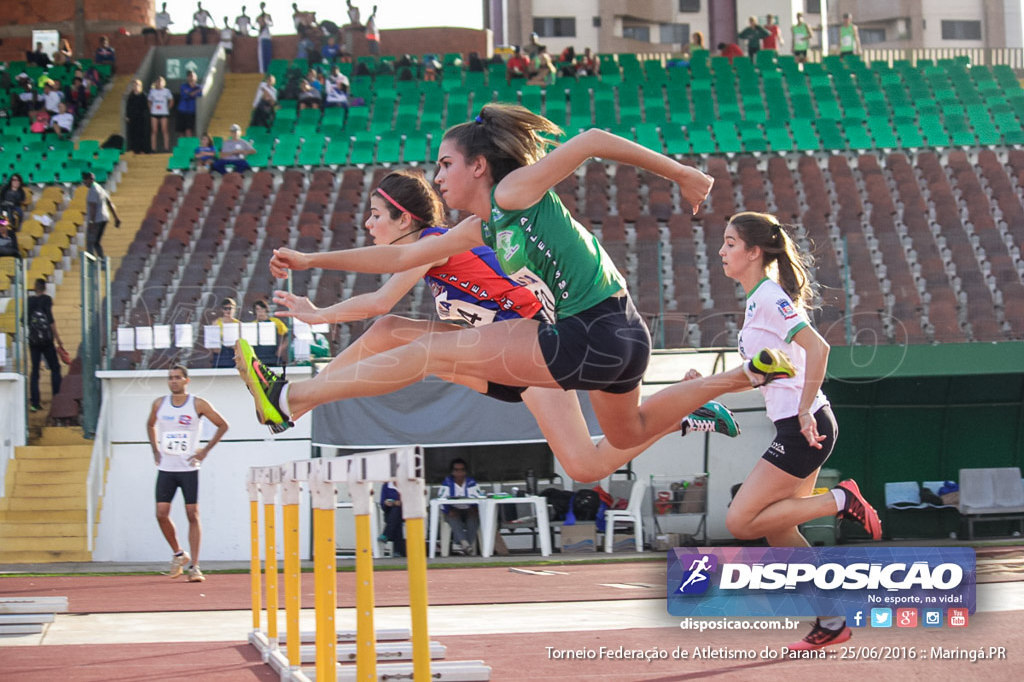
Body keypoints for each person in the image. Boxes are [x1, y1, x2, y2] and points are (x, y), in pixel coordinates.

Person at [244, 105, 796, 466]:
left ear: (479, 167)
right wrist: (313, 256)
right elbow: (404, 256)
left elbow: (593, 139)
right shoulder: (479, 227)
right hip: (621, 337)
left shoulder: (513, 193)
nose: (436, 178)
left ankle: (290, 399)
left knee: (425, 350)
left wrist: (681, 173)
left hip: (590, 330)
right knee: (620, 442)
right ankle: (740, 378)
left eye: (444, 164)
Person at [269, 170, 740, 480]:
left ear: (404, 217)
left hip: (535, 348)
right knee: (393, 331)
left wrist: (319, 308)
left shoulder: (435, 242)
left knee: (584, 466)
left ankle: (681, 409)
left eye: (375, 215)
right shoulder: (435, 253)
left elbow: (380, 295)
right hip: (498, 356)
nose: (370, 225)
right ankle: (293, 402)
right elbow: (387, 292)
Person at [714, 212, 881, 650]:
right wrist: (706, 385)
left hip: (803, 429)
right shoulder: (757, 301)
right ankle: (831, 621)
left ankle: (841, 499)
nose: (722, 251)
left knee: (741, 520)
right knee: (780, 532)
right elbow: (772, 372)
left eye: (730, 243)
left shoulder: (769, 296)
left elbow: (818, 347)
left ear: (754, 252)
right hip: (799, 426)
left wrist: (805, 409)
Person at [147, 365, 229, 583]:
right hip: (167, 468)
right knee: (161, 513)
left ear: (186, 380)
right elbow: (150, 424)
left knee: (192, 515)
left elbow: (222, 425)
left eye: (177, 378)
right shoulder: (159, 404)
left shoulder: (197, 404)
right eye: (170, 378)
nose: (173, 381)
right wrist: (155, 449)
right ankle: (178, 554)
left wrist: (205, 450)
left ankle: (195, 567)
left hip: (189, 469)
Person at [27, 278, 64, 413]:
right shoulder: (47, 300)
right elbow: (50, 321)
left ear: (35, 287)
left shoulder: (29, 301)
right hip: (47, 341)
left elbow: (24, 320)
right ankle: (57, 399)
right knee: (55, 368)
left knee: (35, 371)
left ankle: (35, 403)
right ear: (44, 288)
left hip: (34, 342)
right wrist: (58, 339)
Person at [439, 459, 482, 555]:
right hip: (453, 509)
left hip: (469, 508)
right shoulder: (447, 483)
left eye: (462, 470)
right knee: (453, 518)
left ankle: (465, 546)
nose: (459, 473)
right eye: (456, 470)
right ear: (452, 471)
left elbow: (479, 498)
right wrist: (448, 510)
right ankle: (465, 544)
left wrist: (475, 508)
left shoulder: (472, 482)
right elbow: (441, 499)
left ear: (465, 471)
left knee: (474, 518)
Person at [83, 171, 120, 259]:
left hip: (96, 219)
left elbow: (93, 207)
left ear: (90, 180)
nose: (84, 182)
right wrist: (116, 218)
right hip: (104, 218)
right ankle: (102, 260)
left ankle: (90, 262)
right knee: (96, 242)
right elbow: (109, 203)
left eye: (85, 180)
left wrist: (91, 221)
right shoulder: (100, 188)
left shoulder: (93, 190)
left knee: (90, 241)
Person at [252, 299, 288, 366]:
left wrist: (281, 348)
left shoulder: (275, 322)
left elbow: (287, 335)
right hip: (257, 356)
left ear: (266, 310)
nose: (260, 312)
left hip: (273, 355)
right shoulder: (253, 324)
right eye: (257, 309)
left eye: (262, 309)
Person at [147, 76, 174, 153]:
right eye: (157, 81)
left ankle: (166, 148)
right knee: (154, 131)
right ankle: (153, 149)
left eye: (160, 81)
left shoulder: (167, 91)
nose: (159, 83)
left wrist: (167, 109)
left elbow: (171, 100)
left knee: (164, 130)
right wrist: (151, 109)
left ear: (163, 83)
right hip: (154, 113)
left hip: (164, 113)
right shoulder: (152, 91)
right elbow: (149, 101)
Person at [379, 481, 405, 557]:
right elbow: (382, 502)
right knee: (396, 515)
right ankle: (398, 551)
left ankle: (386, 534)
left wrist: (400, 503)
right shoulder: (386, 486)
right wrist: (387, 503)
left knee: (396, 511)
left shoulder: (406, 485)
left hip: (405, 512)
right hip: (390, 513)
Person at [125, 79, 151, 154]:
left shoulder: (143, 96)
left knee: (142, 134)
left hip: (141, 119)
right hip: (133, 118)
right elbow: (128, 107)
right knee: (133, 134)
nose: (135, 87)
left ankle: (142, 150)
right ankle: (134, 149)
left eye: (137, 85)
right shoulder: (130, 96)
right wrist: (128, 116)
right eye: (134, 85)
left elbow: (146, 108)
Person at [213, 298, 241, 367]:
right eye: (225, 308)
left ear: (234, 309)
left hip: (234, 352)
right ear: (222, 310)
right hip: (221, 352)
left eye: (230, 308)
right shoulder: (216, 322)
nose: (228, 311)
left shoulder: (238, 324)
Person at [177, 70, 202, 138]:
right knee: (181, 131)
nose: (192, 77)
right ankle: (182, 146)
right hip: (182, 110)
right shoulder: (183, 86)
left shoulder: (198, 87)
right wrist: (197, 91)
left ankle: (189, 146)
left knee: (189, 130)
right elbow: (190, 94)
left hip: (191, 111)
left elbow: (200, 94)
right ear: (187, 77)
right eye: (190, 76)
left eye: (193, 76)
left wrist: (197, 91)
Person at [257, 2, 274, 74]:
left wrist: (265, 21)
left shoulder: (267, 16)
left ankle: (268, 70)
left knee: (269, 54)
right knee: (261, 55)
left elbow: (271, 24)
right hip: (261, 36)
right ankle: (262, 71)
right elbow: (254, 26)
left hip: (268, 36)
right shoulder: (258, 17)